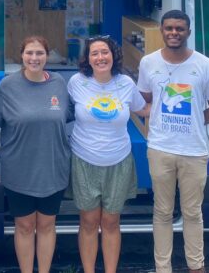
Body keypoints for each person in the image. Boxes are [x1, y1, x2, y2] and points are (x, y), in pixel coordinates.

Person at [136, 10, 209, 273]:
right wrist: (156, 125)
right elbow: (143, 99)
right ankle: (162, 268)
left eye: (179, 28)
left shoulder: (205, 65)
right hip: (160, 149)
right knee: (162, 212)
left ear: (188, 32)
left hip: (194, 151)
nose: (173, 33)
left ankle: (196, 267)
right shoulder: (148, 62)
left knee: (192, 213)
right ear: (162, 31)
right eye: (168, 28)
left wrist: (194, 123)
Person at [0, 36, 71, 273]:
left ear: (47, 56)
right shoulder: (7, 86)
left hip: (53, 169)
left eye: (40, 53)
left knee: (46, 225)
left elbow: (69, 114)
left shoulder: (59, 84)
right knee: (24, 226)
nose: (34, 58)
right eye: (30, 53)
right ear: (21, 56)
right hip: (19, 170)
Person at [68, 35, 150, 273]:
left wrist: (170, 104)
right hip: (84, 160)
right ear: (87, 58)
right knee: (89, 222)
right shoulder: (76, 82)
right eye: (95, 53)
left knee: (111, 222)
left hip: (118, 161)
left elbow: (142, 108)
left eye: (105, 52)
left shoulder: (125, 83)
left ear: (113, 56)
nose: (100, 57)